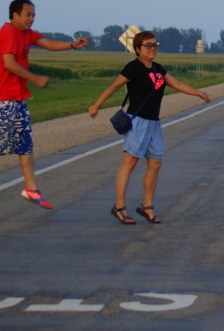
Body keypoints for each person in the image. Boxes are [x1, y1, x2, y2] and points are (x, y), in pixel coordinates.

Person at [0, 0, 88, 214]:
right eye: (28, 14)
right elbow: (9, 63)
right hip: (1, 98)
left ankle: (31, 188)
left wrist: (72, 45)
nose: (31, 19)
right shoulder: (8, 32)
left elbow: (47, 44)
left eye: (33, 15)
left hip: (18, 97)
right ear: (14, 15)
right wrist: (35, 79)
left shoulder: (27, 33)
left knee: (25, 142)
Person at [88, 30, 211, 224]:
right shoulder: (133, 67)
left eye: (155, 45)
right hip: (137, 121)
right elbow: (114, 87)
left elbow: (176, 84)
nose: (153, 49)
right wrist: (96, 105)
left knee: (155, 163)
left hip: (154, 123)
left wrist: (198, 93)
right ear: (137, 49)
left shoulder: (158, 69)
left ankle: (147, 206)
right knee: (129, 163)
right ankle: (119, 206)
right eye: (148, 45)